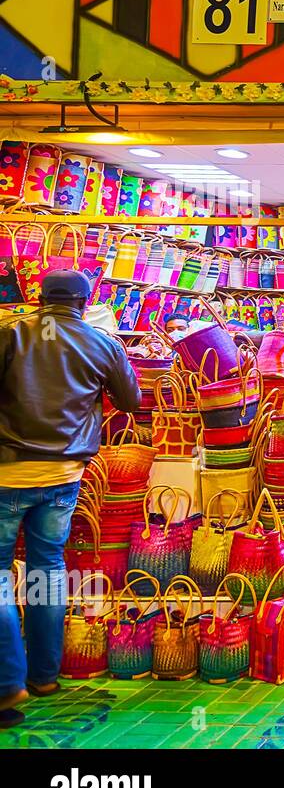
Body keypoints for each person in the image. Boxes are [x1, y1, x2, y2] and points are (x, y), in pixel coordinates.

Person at [0, 270, 141, 728]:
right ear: (86, 300)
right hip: (64, 473)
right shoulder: (102, 343)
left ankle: (7, 682)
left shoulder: (12, 334)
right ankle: (44, 675)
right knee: (47, 569)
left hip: (7, 470)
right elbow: (131, 399)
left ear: (41, 297)